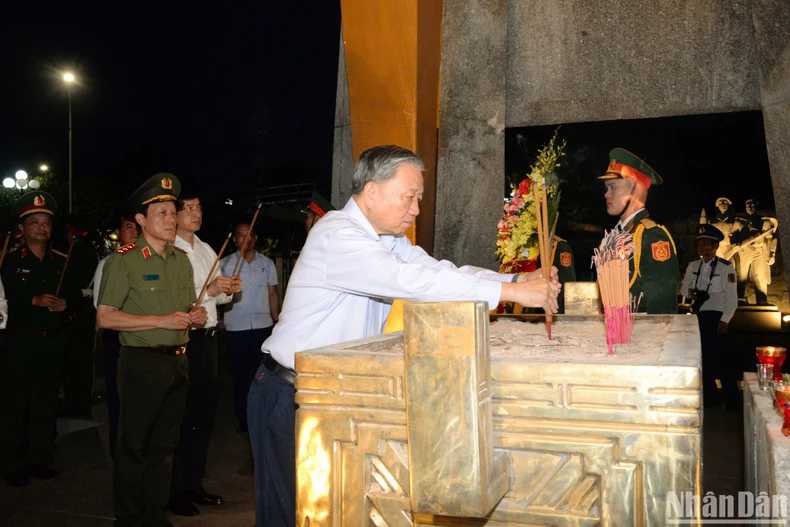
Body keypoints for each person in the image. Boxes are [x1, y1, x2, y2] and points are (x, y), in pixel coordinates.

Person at [249, 145, 560, 527]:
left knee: (331, 510)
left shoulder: (388, 240)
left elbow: (442, 271)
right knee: (292, 512)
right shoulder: (337, 234)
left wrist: (514, 279)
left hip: (331, 394)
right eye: (409, 197)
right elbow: (413, 282)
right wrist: (510, 295)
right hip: (290, 394)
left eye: (419, 199)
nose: (415, 209)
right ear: (373, 191)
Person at [96, 173, 207, 527]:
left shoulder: (180, 260)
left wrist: (196, 315)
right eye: (162, 213)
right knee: (134, 447)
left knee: (164, 445)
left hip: (178, 363)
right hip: (141, 363)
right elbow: (106, 317)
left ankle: (154, 514)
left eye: (173, 212)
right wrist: (162, 320)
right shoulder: (124, 260)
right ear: (141, 220)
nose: (171, 219)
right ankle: (128, 518)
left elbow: (185, 309)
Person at [0, 191, 80, 487]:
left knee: (46, 402)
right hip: (19, 341)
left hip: (52, 341)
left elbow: (74, 296)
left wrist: (65, 305)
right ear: (22, 228)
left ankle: (40, 460)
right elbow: (3, 300)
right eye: (34, 222)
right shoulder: (8, 261)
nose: (41, 228)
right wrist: (31, 300)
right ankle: (12, 463)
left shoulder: (61, 260)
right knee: (14, 403)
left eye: (46, 222)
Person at [169, 190, 241, 516]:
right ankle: (174, 490)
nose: (197, 213)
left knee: (202, 416)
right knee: (181, 417)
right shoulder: (170, 248)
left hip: (209, 339)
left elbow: (215, 297)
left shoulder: (206, 247)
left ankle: (193, 482)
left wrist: (226, 290)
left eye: (199, 207)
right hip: (186, 339)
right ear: (175, 213)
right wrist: (211, 291)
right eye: (190, 208)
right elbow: (176, 299)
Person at [598, 148, 679, 314]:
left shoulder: (651, 236)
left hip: (642, 336)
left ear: (637, 189)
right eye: (607, 188)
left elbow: (661, 309)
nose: (607, 194)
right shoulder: (616, 236)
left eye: (613, 187)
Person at [220, 221, 279, 433]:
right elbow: (217, 295)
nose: (247, 238)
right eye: (241, 235)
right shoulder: (225, 265)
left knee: (262, 375)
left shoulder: (267, 263)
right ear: (235, 239)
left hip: (263, 326)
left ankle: (261, 415)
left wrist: (276, 319)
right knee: (239, 375)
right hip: (236, 328)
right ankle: (243, 418)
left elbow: (272, 293)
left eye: (251, 234)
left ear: (256, 238)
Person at [93, 213, 141, 459]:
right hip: (117, 338)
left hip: (142, 340)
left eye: (137, 227)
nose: (133, 232)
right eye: (128, 227)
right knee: (117, 398)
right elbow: (99, 305)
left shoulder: (146, 261)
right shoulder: (109, 263)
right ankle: (118, 453)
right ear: (119, 233)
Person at [680, 224, 738, 407]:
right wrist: (693, 293)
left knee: (724, 359)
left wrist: (725, 319)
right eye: (699, 244)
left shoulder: (726, 267)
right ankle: (710, 399)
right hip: (698, 316)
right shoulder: (693, 266)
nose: (701, 247)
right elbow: (683, 288)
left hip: (717, 317)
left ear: (715, 246)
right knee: (703, 358)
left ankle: (731, 400)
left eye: (705, 244)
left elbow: (732, 297)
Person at [61, 217, 100, 417]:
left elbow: (71, 286)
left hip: (75, 314)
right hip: (88, 313)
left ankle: (75, 404)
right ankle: (82, 402)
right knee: (84, 362)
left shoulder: (72, 254)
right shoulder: (91, 253)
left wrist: (69, 311)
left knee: (74, 363)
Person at [732, 198, 778, 305]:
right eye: (748, 205)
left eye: (752, 205)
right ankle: (739, 299)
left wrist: (772, 253)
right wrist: (735, 245)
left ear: (756, 206)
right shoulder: (740, 222)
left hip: (759, 251)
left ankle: (762, 300)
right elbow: (733, 237)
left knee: (759, 276)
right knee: (741, 277)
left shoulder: (764, 222)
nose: (750, 207)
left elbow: (770, 239)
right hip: (744, 251)